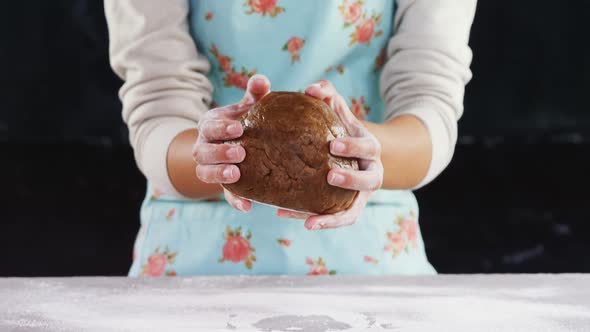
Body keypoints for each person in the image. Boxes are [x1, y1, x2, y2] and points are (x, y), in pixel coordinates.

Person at [104, 0, 476, 277]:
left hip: (371, 258)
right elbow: (158, 104)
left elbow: (430, 100)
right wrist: (214, 155)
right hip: (191, 259)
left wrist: (365, 158)